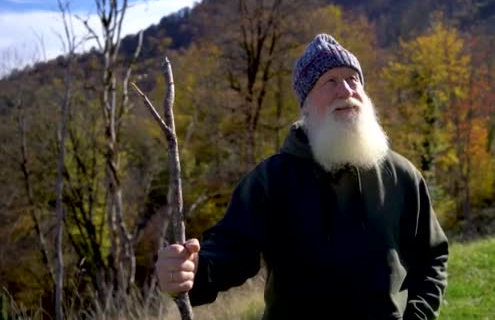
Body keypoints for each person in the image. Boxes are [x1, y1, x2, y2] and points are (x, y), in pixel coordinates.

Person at [155, 34, 449, 319]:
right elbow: (230, 253)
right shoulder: (271, 180)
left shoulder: (402, 176)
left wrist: (418, 315)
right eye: (330, 81)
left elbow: (432, 258)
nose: (346, 90)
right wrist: (192, 269)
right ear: (306, 104)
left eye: (353, 79)